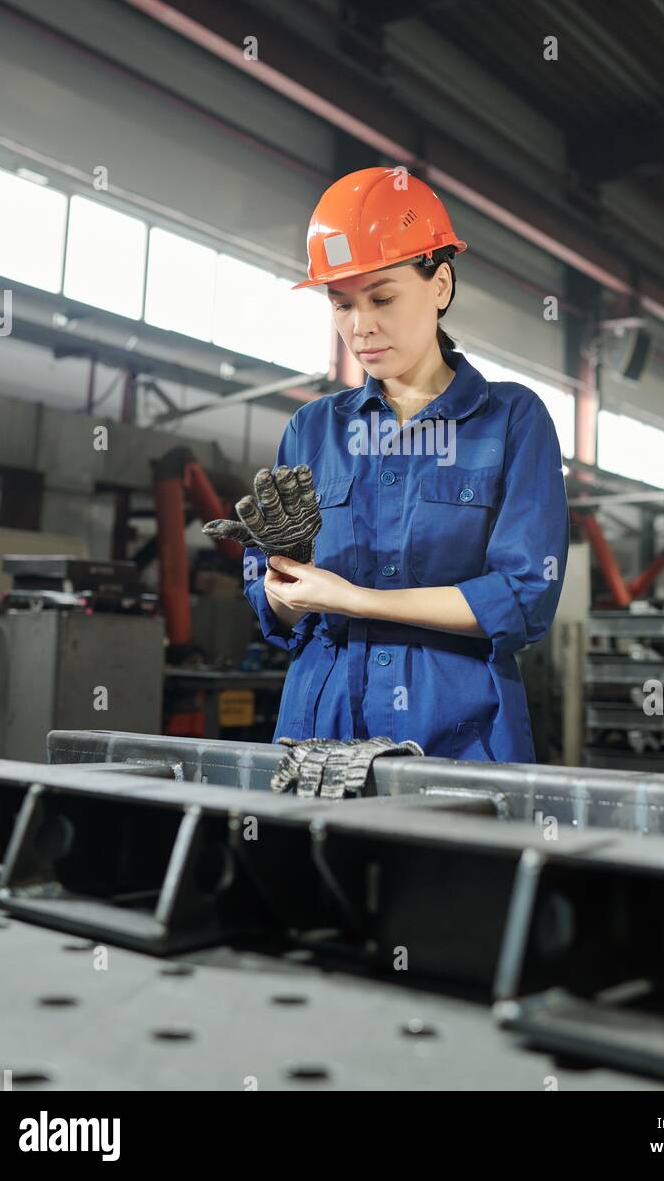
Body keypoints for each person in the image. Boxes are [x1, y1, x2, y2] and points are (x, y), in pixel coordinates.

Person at [235, 167, 568, 762]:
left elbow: (521, 599)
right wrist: (283, 582)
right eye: (341, 304)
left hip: (459, 730)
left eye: (382, 297)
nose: (359, 326)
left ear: (440, 284)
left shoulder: (513, 420)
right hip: (318, 728)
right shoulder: (313, 430)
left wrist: (353, 599)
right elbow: (274, 604)